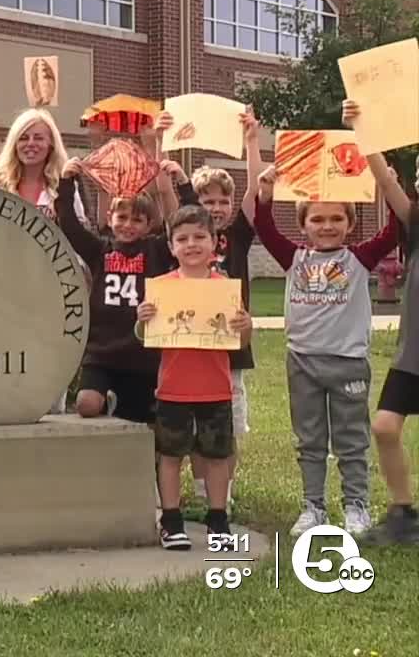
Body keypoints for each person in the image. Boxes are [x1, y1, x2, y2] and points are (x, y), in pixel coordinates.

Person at [251, 100, 403, 537]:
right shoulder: (293, 256)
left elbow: (395, 228)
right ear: (305, 224)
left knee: (351, 439)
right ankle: (313, 507)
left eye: (337, 218)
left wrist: (385, 180)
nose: (327, 225)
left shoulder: (361, 256)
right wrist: (264, 193)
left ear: (350, 224)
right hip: (302, 361)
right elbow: (265, 229)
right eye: (318, 219)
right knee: (310, 440)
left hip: (348, 361)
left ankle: (356, 505)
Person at [136, 206, 253, 550]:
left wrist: (246, 328)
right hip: (173, 388)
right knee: (170, 456)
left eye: (200, 237)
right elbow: (145, 337)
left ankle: (218, 519)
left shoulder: (226, 289)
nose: (191, 245)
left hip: (216, 388)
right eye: (182, 239)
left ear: (215, 243)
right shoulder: (161, 289)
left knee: (217, 458)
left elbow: (239, 343)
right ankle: (171, 521)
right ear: (171, 246)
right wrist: (143, 319)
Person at [56, 156, 180, 425]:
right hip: (102, 352)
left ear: (149, 225)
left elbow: (180, 224)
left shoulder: (156, 251)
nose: (128, 225)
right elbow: (69, 226)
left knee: (141, 424)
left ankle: (146, 461)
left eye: (137, 220)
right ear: (110, 219)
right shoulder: (100, 250)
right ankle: (106, 404)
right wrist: (67, 182)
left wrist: (179, 184)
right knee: (87, 404)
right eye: (122, 217)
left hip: (143, 355)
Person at [362, 150, 419, 546]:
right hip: (413, 354)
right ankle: (403, 515)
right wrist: (367, 135)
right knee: (384, 426)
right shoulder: (416, 223)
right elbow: (386, 183)